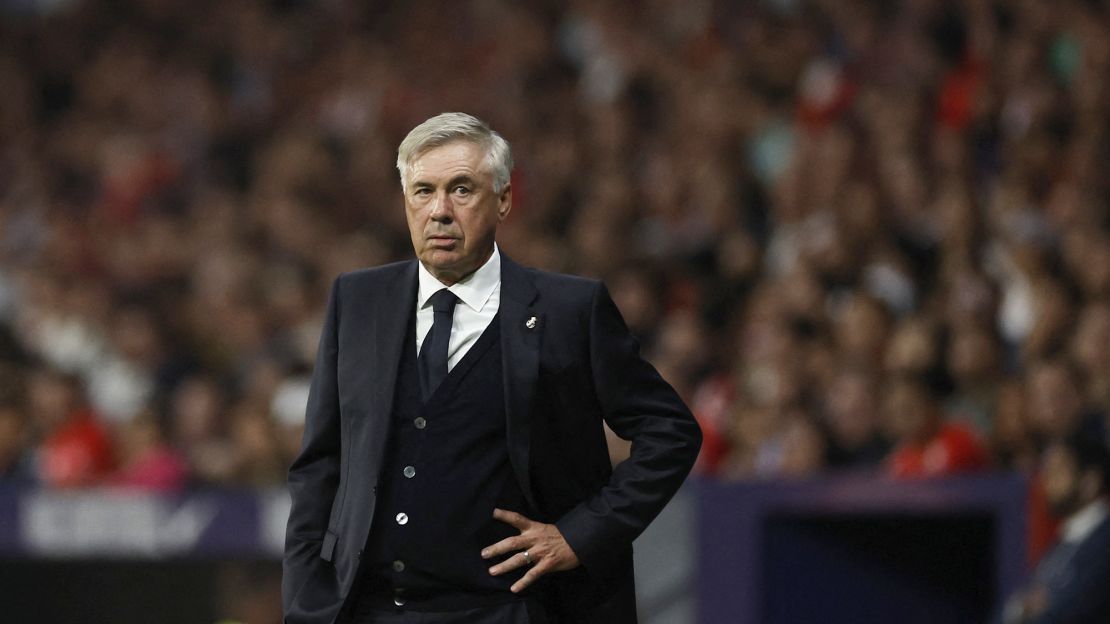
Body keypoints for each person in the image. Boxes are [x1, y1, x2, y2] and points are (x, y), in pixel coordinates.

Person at [282, 112, 702, 624]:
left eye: (462, 190)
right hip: (371, 610)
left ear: (503, 200)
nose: (439, 211)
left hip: (514, 610)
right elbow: (321, 464)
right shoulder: (357, 300)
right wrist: (305, 602)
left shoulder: (569, 310)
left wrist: (582, 533)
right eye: (422, 191)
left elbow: (670, 429)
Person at [999, 433, 1110, 623]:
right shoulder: (1064, 540)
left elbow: (1064, 614)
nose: (1046, 482)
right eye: (1046, 472)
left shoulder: (1103, 543)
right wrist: (1021, 608)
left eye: (1057, 471)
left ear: (1089, 482)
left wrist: (1030, 609)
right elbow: (1012, 606)